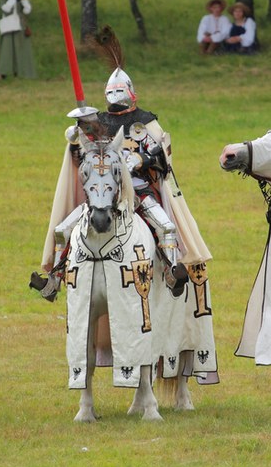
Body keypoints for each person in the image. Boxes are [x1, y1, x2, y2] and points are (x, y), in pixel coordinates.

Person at [37, 26, 211, 297]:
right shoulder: (99, 123)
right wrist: (75, 135)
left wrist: (140, 159)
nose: (116, 97)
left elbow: (162, 154)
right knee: (63, 229)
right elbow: (81, 153)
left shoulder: (146, 122)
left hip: (138, 189)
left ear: (132, 94)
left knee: (165, 226)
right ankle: (54, 279)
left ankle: (170, 272)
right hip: (102, 191)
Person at [0, 0, 35, 79]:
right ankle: (2, 72)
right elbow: (6, 10)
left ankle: (22, 72)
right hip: (8, 28)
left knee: (22, 50)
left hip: (20, 27)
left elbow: (27, 11)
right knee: (6, 51)